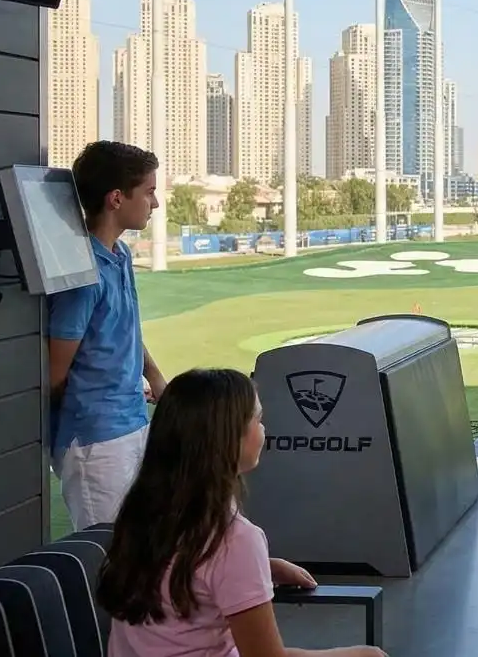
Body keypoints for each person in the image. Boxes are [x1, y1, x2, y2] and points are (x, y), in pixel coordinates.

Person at [96, 368, 388, 657]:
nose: (264, 429)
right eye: (258, 420)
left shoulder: (145, 509)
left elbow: (186, 571)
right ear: (228, 437)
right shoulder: (235, 540)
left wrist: (262, 567)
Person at [48, 140, 168, 531]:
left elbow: (123, 329)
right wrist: (94, 402)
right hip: (96, 442)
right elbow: (54, 373)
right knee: (109, 556)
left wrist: (154, 377)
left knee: (145, 543)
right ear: (116, 198)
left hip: (133, 422)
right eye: (149, 192)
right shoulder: (81, 274)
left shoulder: (120, 255)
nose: (155, 203)